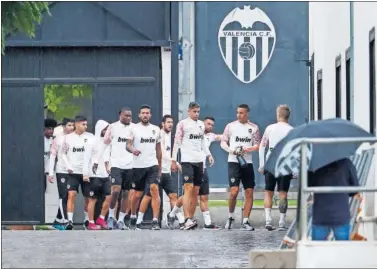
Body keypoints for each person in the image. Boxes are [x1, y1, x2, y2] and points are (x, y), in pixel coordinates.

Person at [170, 102, 214, 230]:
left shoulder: (201, 124)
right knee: (188, 188)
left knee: (196, 190)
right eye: (194, 112)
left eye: (198, 112)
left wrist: (209, 155)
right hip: (187, 160)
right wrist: (173, 160)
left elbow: (202, 142)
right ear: (188, 111)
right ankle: (186, 219)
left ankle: (190, 217)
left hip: (199, 161)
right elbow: (176, 142)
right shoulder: (182, 124)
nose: (196, 114)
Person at [136, 115, 184, 229]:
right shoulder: (159, 134)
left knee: (173, 196)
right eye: (168, 122)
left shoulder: (172, 137)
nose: (170, 124)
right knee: (148, 196)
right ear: (162, 124)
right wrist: (175, 162)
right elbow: (161, 152)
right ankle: (138, 221)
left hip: (167, 173)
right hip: (157, 171)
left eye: (172, 122)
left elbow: (173, 152)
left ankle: (181, 220)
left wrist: (173, 162)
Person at [221, 104, 260, 231]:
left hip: (247, 162)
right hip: (233, 161)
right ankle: (230, 217)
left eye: (242, 113)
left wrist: (247, 149)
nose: (239, 115)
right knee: (234, 191)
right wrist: (232, 151)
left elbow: (257, 145)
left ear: (247, 114)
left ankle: (245, 221)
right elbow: (223, 142)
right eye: (237, 112)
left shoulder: (253, 128)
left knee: (249, 191)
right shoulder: (230, 126)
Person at [94, 108, 135, 230]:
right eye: (126, 116)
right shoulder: (112, 127)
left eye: (130, 116)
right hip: (116, 164)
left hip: (131, 165)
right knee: (116, 191)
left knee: (126, 193)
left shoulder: (134, 128)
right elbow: (104, 144)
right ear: (120, 115)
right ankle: (111, 216)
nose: (128, 118)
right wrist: (96, 160)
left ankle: (121, 219)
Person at [126, 104, 162, 230]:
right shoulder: (133, 128)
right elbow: (128, 145)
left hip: (152, 164)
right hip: (138, 166)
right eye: (143, 113)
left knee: (154, 189)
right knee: (137, 194)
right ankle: (133, 216)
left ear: (150, 115)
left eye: (147, 113)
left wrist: (160, 166)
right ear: (139, 115)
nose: (145, 115)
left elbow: (158, 149)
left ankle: (155, 220)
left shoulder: (156, 129)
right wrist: (133, 150)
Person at [258, 105, 294, 231]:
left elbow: (262, 146)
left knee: (268, 192)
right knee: (283, 193)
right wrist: (294, 169)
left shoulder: (270, 128)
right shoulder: (291, 130)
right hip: (285, 163)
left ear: (278, 115)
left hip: (271, 162)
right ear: (288, 117)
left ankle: (268, 220)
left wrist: (262, 164)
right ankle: (282, 222)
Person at [309, 158, 359, 241]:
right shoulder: (346, 162)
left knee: (316, 250)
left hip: (320, 214)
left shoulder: (315, 163)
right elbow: (355, 188)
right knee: (343, 249)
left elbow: (308, 184)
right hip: (341, 213)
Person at [62, 116, 94, 230]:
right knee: (72, 194)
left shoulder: (90, 137)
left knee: (88, 197)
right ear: (76, 124)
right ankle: (69, 221)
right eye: (83, 124)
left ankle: (86, 219)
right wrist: (68, 166)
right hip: (73, 172)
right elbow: (63, 153)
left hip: (86, 172)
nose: (85, 126)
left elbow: (94, 154)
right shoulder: (68, 138)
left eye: (86, 124)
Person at [82, 120, 113, 230]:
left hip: (104, 175)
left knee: (109, 197)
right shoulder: (91, 141)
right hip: (93, 175)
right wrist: (85, 174)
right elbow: (86, 159)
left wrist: (108, 167)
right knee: (92, 199)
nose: (107, 131)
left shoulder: (107, 143)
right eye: (105, 129)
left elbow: (107, 158)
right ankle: (91, 222)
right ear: (100, 129)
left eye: (108, 129)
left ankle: (101, 218)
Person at [48, 118, 75, 230]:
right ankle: (64, 221)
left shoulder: (76, 139)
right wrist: (50, 172)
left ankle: (58, 220)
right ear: (63, 127)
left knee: (71, 195)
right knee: (63, 196)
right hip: (61, 171)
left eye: (73, 125)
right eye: (69, 125)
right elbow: (53, 156)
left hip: (74, 171)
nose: (71, 127)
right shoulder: (58, 139)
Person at [198, 116, 222, 230]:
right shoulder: (195, 133)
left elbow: (222, 137)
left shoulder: (211, 136)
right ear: (203, 123)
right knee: (189, 196)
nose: (210, 126)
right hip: (192, 168)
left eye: (212, 125)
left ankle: (208, 223)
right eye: (208, 124)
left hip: (203, 169)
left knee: (204, 196)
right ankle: (174, 214)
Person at [44, 118, 57, 191]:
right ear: (44, 129)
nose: (51, 131)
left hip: (47, 172)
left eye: (52, 129)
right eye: (49, 129)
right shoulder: (41, 140)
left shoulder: (53, 140)